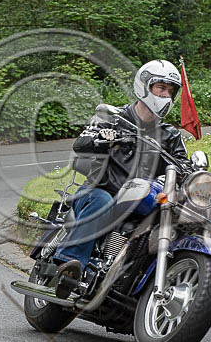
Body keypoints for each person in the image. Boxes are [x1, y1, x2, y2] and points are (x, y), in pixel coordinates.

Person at [53, 59, 188, 298]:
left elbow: (184, 166)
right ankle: (69, 265)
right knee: (102, 200)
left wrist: (195, 177)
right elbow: (81, 144)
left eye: (171, 90)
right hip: (99, 191)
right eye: (161, 87)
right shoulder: (113, 117)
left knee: (168, 222)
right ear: (144, 86)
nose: (166, 94)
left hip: (142, 198)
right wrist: (104, 138)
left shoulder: (170, 135)